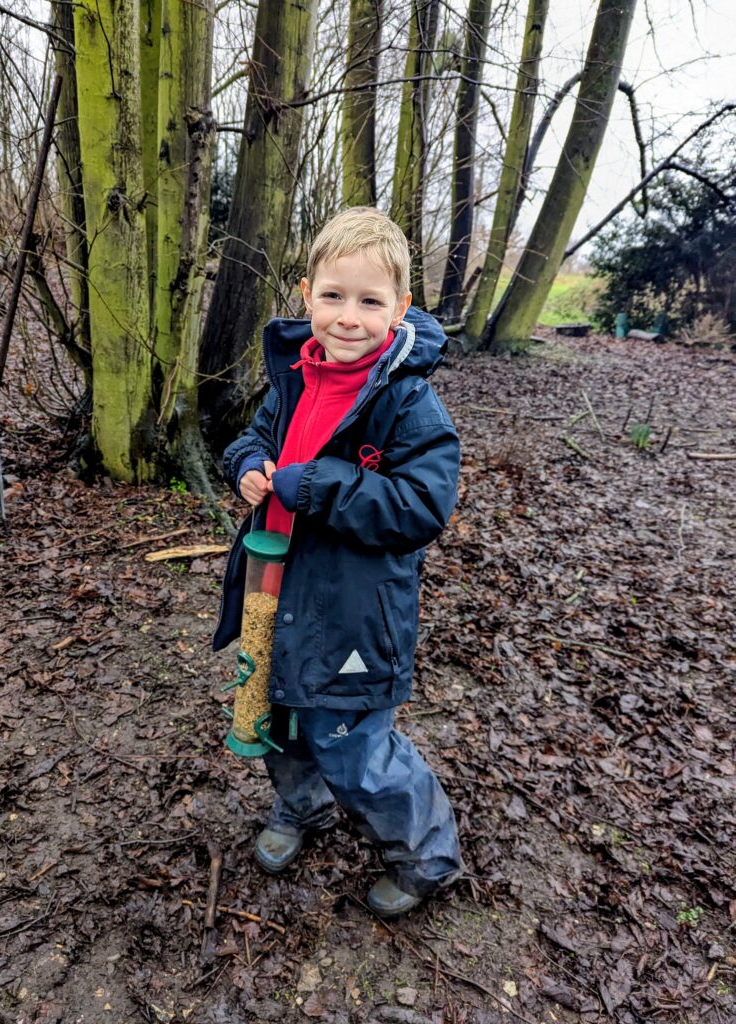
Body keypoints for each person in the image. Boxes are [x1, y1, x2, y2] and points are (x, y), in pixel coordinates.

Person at [213, 207, 463, 917]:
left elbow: (420, 507)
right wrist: (248, 465)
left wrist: (320, 485)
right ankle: (303, 807)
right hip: (273, 592)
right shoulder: (294, 376)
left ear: (400, 308)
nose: (347, 318)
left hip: (354, 615)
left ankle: (425, 856)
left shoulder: (409, 402)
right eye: (332, 296)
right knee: (278, 721)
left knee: (354, 745)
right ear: (305, 293)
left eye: (368, 301)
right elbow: (251, 437)